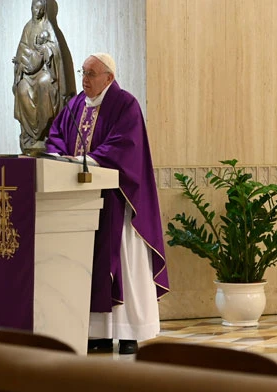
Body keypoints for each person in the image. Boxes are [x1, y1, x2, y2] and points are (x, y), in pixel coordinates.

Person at [45, 53, 169, 355]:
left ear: (109, 78)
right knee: (88, 265)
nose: (85, 79)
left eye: (91, 73)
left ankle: (129, 331)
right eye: (83, 72)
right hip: (81, 202)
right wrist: (64, 158)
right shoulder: (73, 106)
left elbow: (126, 144)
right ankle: (96, 332)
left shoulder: (125, 104)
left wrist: (90, 160)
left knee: (125, 264)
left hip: (118, 200)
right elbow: (56, 136)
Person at [12, 0, 65, 155]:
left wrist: (44, 49)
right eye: (33, 8)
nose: (36, 12)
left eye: (39, 9)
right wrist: (22, 60)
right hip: (27, 72)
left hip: (43, 70)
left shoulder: (48, 27)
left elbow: (55, 52)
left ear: (44, 10)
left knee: (45, 83)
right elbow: (21, 49)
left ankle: (44, 132)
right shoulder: (28, 27)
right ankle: (30, 136)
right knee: (21, 89)